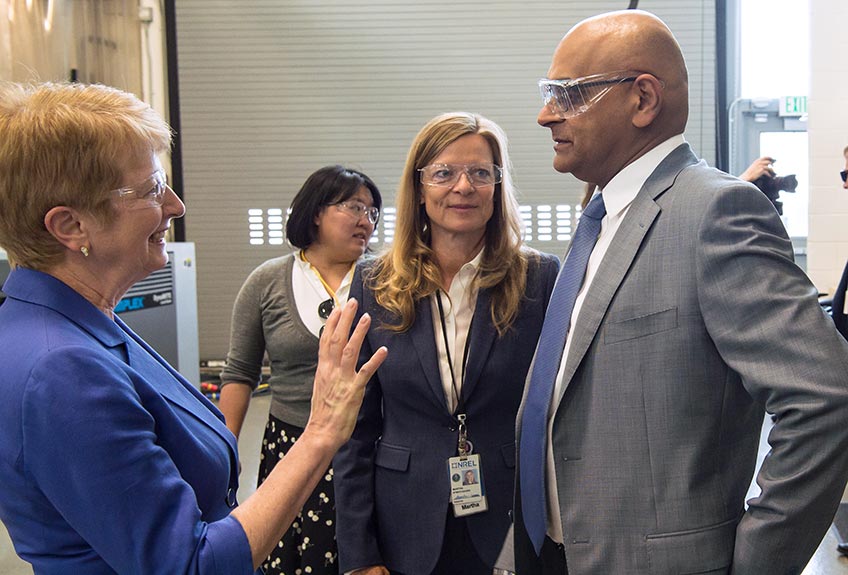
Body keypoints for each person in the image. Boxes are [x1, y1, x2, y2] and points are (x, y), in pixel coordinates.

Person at [0, 81, 386, 574]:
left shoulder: (82, 321)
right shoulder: (63, 370)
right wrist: (322, 431)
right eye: (151, 190)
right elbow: (190, 565)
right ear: (71, 227)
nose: (175, 206)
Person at [514, 10, 848, 575]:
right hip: (559, 550)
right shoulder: (600, 216)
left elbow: (825, 397)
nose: (547, 114)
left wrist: (756, 563)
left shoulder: (716, 211)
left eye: (569, 94)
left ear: (643, 99)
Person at [334, 112, 560, 575]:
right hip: (404, 519)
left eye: (481, 173)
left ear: (498, 187)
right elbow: (353, 428)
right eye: (444, 173)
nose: (464, 187)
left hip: (510, 513)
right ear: (419, 188)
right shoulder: (374, 283)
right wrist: (359, 553)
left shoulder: (539, 278)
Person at [219, 164, 382, 574]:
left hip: (372, 444)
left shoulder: (387, 279)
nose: (366, 220)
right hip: (291, 446)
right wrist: (222, 452)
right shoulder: (267, 281)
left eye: (372, 212)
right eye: (354, 207)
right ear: (315, 213)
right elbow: (240, 373)